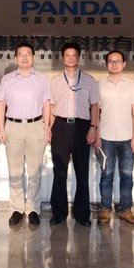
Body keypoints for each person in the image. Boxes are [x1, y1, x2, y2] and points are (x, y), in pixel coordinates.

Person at [0, 42, 51, 226]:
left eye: (28, 54)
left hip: (36, 125)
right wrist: (1, 127)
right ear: (15, 58)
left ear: (33, 57)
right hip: (13, 126)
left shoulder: (42, 79)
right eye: (21, 54)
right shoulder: (7, 79)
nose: (25, 57)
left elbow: (46, 104)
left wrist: (47, 127)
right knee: (15, 172)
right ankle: (16, 209)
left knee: (34, 171)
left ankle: (33, 209)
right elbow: (1, 104)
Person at [49, 42, 99, 227]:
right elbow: (52, 106)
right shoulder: (55, 81)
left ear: (79, 57)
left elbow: (95, 106)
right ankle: (59, 213)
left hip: (82, 127)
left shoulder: (89, 80)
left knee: (82, 172)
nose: (71, 58)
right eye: (67, 55)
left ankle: (82, 214)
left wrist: (93, 128)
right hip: (61, 127)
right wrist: (50, 129)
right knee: (59, 171)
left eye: (74, 55)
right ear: (63, 57)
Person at [96, 50, 134, 225]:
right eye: (111, 61)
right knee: (106, 175)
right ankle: (105, 209)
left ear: (124, 64)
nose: (114, 64)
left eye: (118, 61)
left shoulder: (133, 85)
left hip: (127, 137)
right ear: (106, 64)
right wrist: (97, 136)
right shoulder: (99, 85)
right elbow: (96, 113)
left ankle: (125, 210)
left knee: (127, 176)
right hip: (105, 137)